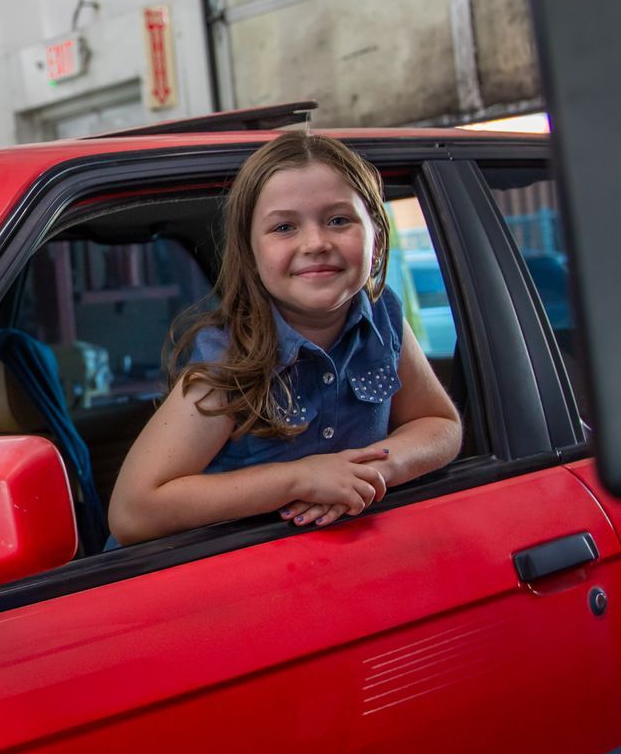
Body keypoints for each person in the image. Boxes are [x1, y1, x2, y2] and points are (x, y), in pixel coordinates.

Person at [107, 133, 462, 545]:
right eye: (284, 227)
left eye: (339, 220)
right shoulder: (229, 354)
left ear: (377, 239)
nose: (316, 243)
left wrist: (375, 470)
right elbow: (133, 512)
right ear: (250, 256)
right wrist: (301, 480)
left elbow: (440, 425)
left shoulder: (384, 316)